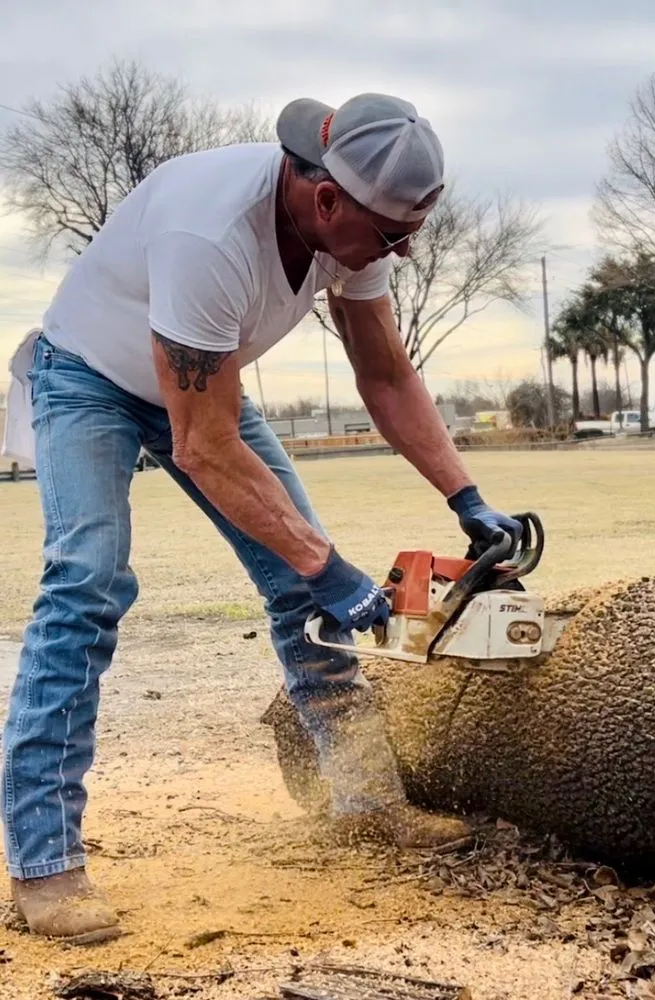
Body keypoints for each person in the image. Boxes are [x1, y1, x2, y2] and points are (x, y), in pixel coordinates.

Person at [0, 92, 523, 944]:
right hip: (90, 377)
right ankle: (44, 865)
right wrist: (329, 568)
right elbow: (202, 447)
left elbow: (385, 374)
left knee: (296, 585)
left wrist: (466, 499)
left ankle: (361, 801)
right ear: (326, 199)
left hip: (203, 380)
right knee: (86, 585)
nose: (400, 251)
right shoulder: (210, 235)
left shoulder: (352, 222)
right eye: (392, 237)